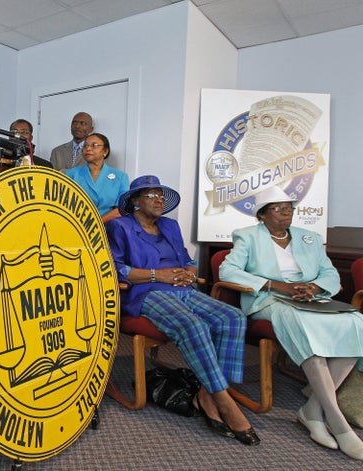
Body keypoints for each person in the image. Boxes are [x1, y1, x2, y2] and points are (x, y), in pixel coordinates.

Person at [106, 175, 260, 446]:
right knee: (194, 325)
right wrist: (158, 275)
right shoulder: (120, 226)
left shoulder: (170, 225)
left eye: (161, 195)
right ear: (136, 202)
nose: (159, 199)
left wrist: (189, 272)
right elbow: (117, 268)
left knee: (233, 317)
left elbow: (187, 259)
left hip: (183, 289)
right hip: (146, 293)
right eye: (151, 195)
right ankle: (223, 401)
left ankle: (205, 392)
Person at [219, 185, 363, 460]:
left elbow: (330, 273)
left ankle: (311, 410)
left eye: (289, 208)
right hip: (270, 301)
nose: (286, 213)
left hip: (309, 299)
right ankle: (338, 422)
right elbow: (228, 270)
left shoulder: (309, 237)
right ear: (262, 215)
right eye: (278, 208)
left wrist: (315, 287)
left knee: (355, 322)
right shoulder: (248, 237)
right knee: (303, 327)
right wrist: (273, 284)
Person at [65, 132, 128, 223]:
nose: (88, 148)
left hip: (108, 229)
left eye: (94, 145)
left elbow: (121, 209)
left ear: (105, 151)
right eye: (85, 146)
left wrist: (96, 224)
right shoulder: (71, 174)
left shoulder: (120, 177)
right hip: (77, 228)